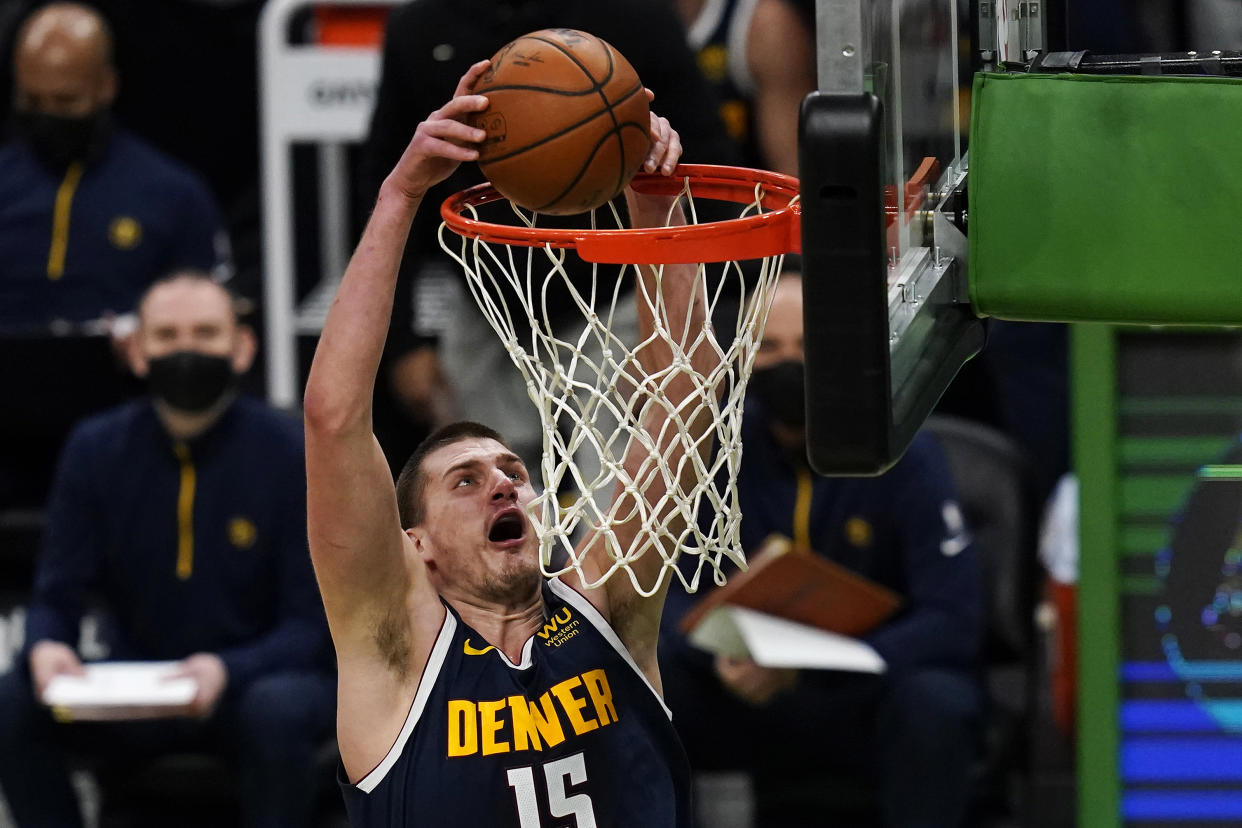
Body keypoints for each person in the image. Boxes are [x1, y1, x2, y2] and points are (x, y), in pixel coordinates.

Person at [306, 63, 706, 826]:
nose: (502, 483)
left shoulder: (606, 608)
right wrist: (400, 197)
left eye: (512, 471)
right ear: (414, 545)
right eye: (464, 480)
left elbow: (682, 395)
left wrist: (656, 207)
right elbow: (333, 417)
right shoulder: (394, 651)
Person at [0, 271, 336, 828]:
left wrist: (225, 669)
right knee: (13, 701)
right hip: (140, 687)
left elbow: (312, 624)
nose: (186, 350)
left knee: (272, 712)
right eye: (167, 335)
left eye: (205, 333)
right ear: (135, 351)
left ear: (242, 347)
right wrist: (45, 648)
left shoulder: (292, 450)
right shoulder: (95, 449)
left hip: (259, 682)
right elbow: (54, 595)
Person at [659, 268, 986, 828]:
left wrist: (839, 663)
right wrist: (727, 655)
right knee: (651, 688)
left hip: (864, 693)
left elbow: (954, 618)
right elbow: (664, 604)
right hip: (744, 689)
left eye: (808, 346)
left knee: (937, 701)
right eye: (768, 347)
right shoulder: (710, 455)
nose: (789, 363)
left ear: (842, 350)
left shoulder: (905, 451)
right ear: (740, 356)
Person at [360, 0, 744, 475]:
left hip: (615, 300)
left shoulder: (638, 16)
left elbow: (708, 165)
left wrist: (710, 311)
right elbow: (382, 179)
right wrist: (402, 343)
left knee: (626, 505)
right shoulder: (419, 24)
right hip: (487, 300)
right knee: (484, 508)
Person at [0, 2, 230, 334]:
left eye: (66, 101)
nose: (47, 115)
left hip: (129, 380)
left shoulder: (172, 193)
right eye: (32, 101)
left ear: (106, 87)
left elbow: (209, 316)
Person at [675, 0, 816, 175]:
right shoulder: (634, 23)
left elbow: (794, 177)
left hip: (741, 196)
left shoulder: (764, 24)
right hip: (647, 195)